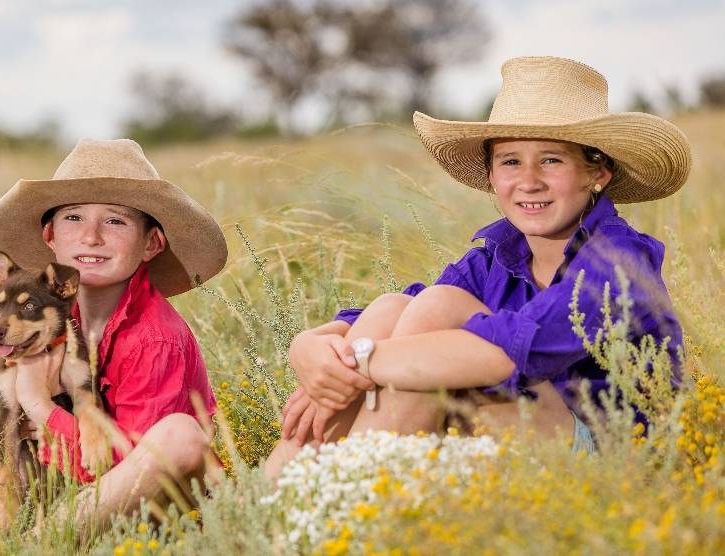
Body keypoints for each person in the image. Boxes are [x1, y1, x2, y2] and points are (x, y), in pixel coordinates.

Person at [264, 56, 691, 478]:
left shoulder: (618, 259)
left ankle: (339, 502)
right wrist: (310, 347)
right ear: (490, 175)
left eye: (551, 160)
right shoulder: (498, 254)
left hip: (611, 455)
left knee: (434, 319)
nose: (529, 180)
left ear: (597, 173)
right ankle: (283, 501)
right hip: (523, 437)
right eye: (510, 161)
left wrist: (353, 365)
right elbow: (403, 315)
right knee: (394, 308)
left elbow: (509, 355)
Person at [0, 138, 228, 542]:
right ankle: (14, 541)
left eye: (116, 221)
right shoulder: (46, 320)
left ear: (151, 244)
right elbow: (7, 444)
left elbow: (128, 473)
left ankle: (32, 547)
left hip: (136, 525)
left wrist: (40, 407)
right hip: (54, 506)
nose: (91, 237)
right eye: (73, 219)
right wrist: (12, 433)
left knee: (178, 435)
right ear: (49, 235)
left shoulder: (154, 339)